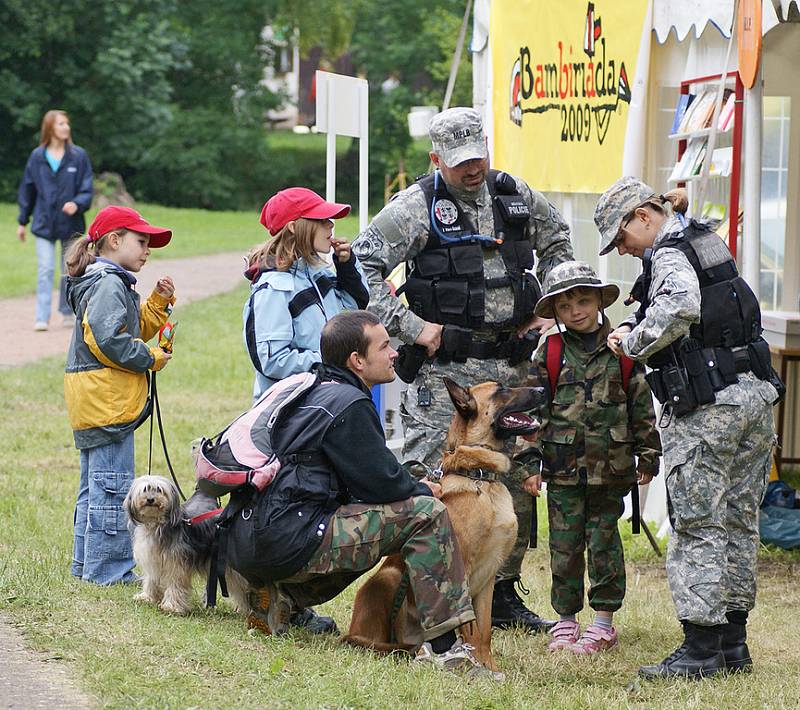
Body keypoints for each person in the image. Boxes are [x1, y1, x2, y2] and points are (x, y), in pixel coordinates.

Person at [351, 106, 574, 632]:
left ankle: (499, 593)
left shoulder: (515, 196)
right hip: (445, 370)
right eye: (458, 164)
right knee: (435, 483)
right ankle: (424, 591)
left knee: (515, 479)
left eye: (478, 158)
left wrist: (550, 309)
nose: (472, 170)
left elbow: (559, 243)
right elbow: (364, 264)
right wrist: (409, 327)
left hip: (509, 367)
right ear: (435, 160)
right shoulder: (415, 207)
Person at [227, 310, 485, 675]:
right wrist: (420, 487)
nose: (394, 352)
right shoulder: (351, 402)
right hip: (291, 536)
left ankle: (280, 598)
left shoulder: (311, 387)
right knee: (424, 514)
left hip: (254, 539)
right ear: (357, 361)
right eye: (384, 347)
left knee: (364, 523)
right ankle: (446, 650)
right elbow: (382, 484)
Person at [595, 177, 779, 679]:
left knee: (698, 523)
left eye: (622, 239)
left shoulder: (670, 252)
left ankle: (700, 650)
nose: (626, 251)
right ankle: (732, 645)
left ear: (642, 216)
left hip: (708, 407)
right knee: (740, 520)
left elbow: (679, 307)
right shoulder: (705, 238)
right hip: (754, 397)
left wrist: (633, 339)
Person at [522, 261, 661, 655]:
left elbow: (641, 405)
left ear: (600, 300)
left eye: (583, 301)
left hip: (612, 469)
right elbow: (533, 414)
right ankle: (565, 622)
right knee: (564, 547)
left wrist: (648, 455)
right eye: (565, 307)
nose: (576, 311)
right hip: (562, 471)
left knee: (603, 544)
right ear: (556, 313)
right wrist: (529, 465)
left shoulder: (623, 349)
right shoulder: (548, 351)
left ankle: (603, 624)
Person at [63, 206, 175, 585]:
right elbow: (110, 341)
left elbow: (126, 327)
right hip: (108, 401)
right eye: (141, 241)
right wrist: (151, 358)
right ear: (114, 240)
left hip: (94, 399)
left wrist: (157, 305)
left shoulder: (108, 281)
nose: (147, 250)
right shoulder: (109, 284)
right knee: (112, 490)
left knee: (93, 487)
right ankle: (108, 571)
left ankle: (85, 563)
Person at [243, 187, 369, 402]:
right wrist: (333, 361)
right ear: (293, 227)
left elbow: (354, 309)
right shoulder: (274, 288)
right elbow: (273, 361)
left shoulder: (318, 273)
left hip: (325, 400)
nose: (330, 224)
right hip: (291, 412)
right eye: (321, 220)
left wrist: (347, 267)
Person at [17, 109, 93, 331]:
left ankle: (67, 312)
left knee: (69, 269)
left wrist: (77, 203)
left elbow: (87, 188)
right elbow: (27, 190)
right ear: (50, 127)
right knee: (45, 269)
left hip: (71, 224)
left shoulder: (78, 156)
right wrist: (22, 221)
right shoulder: (37, 156)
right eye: (61, 124)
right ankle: (41, 317)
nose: (66, 128)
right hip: (43, 223)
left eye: (67, 124)